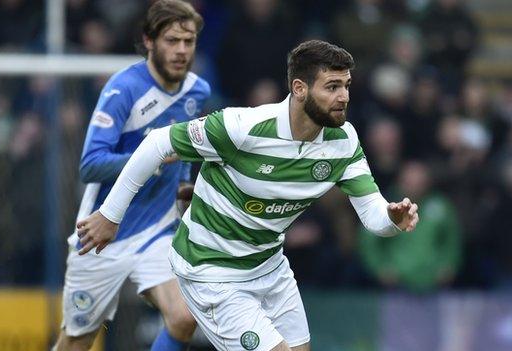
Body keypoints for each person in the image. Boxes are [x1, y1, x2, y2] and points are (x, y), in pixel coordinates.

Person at [76, 40, 419, 351]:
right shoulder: (243, 128)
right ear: (300, 89)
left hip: (269, 266)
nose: (343, 96)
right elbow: (156, 143)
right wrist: (110, 216)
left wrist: (391, 217)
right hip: (210, 269)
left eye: (346, 86)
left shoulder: (344, 140)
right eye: (332, 87)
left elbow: (373, 213)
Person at [54, 1, 210, 350]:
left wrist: (184, 183)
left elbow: (181, 146)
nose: (182, 50)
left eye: (189, 41)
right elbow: (90, 165)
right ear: (149, 41)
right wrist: (153, 159)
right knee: (77, 342)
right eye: (172, 40)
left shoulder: (197, 91)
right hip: (101, 234)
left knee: (184, 317)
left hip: (156, 229)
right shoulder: (122, 89)